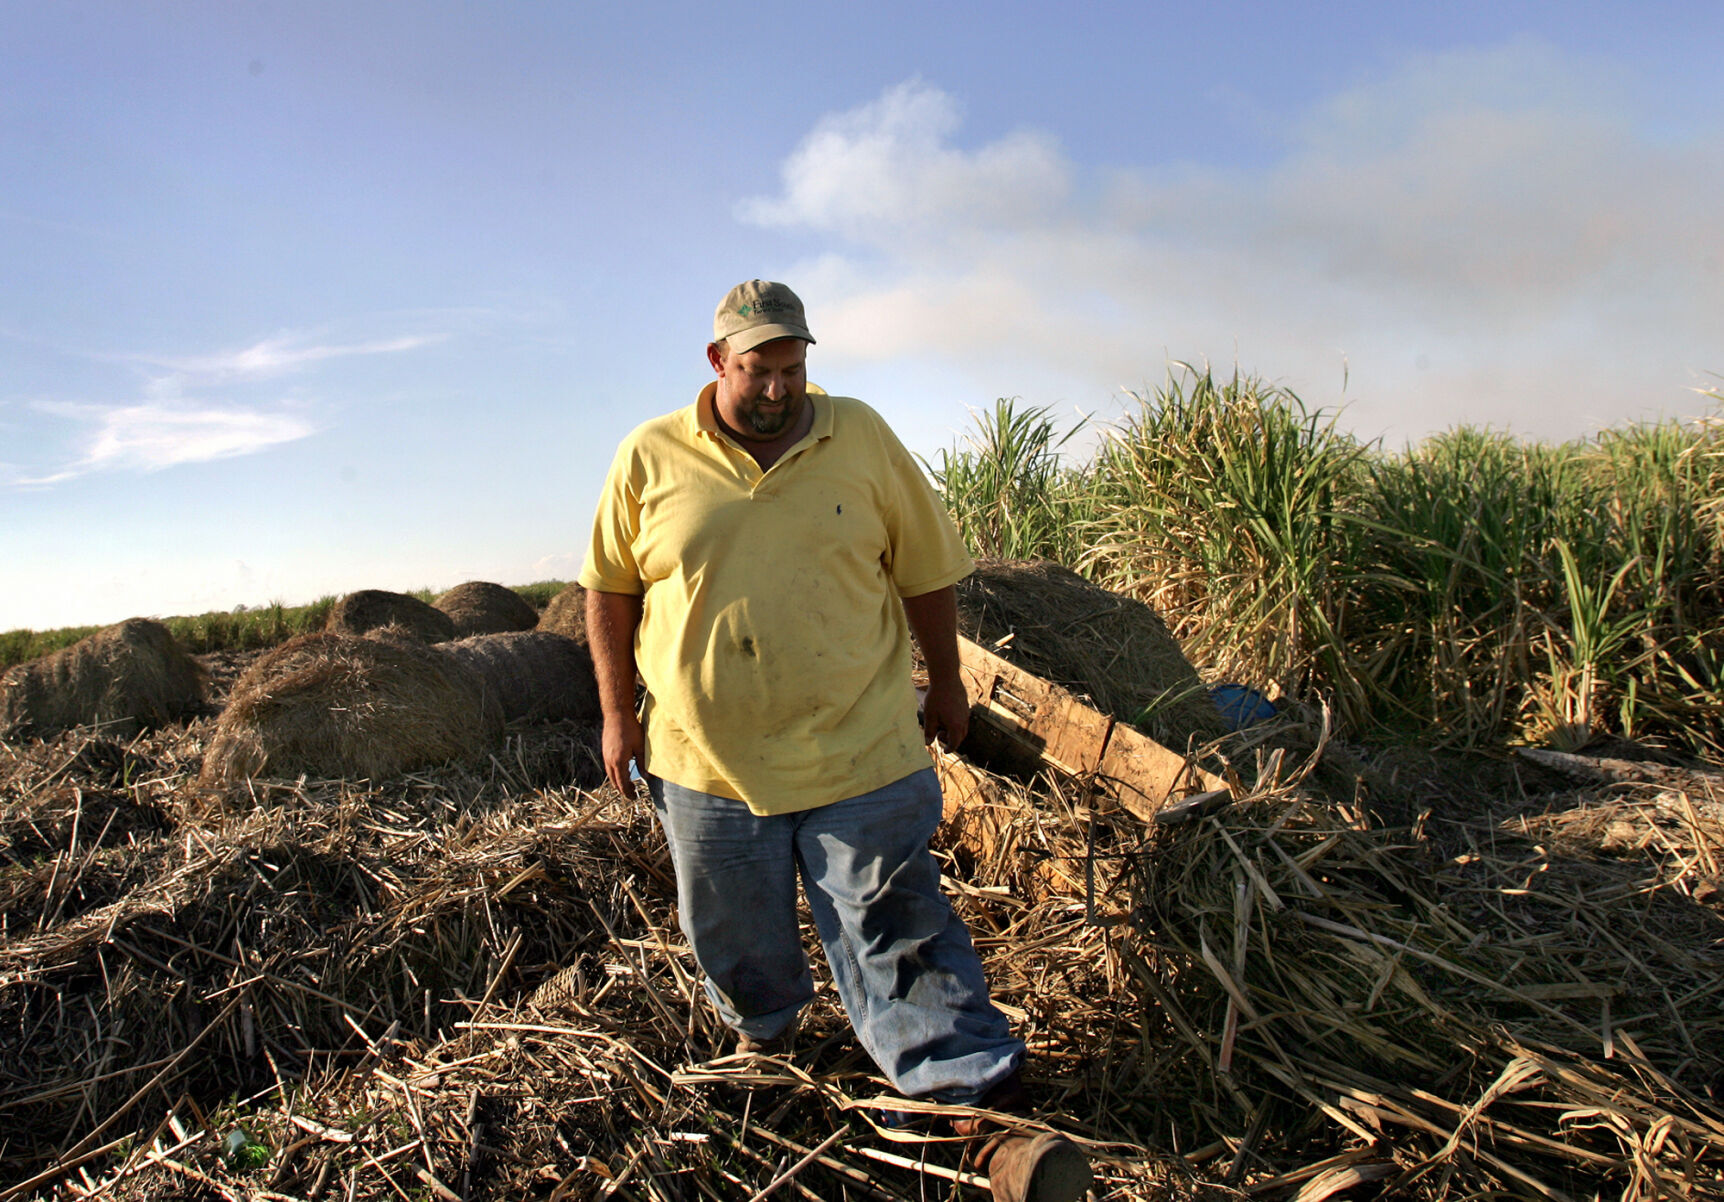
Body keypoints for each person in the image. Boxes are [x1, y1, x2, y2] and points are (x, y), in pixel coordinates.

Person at [579, 280, 1091, 1202]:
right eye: (759, 370)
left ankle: (976, 1108)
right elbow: (609, 591)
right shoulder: (648, 456)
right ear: (717, 363)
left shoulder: (858, 435)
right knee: (733, 932)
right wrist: (618, 714)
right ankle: (770, 1043)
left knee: (897, 924)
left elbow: (928, 570)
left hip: (861, 745)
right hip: (705, 759)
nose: (779, 389)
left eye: (793, 367)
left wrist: (951, 681)